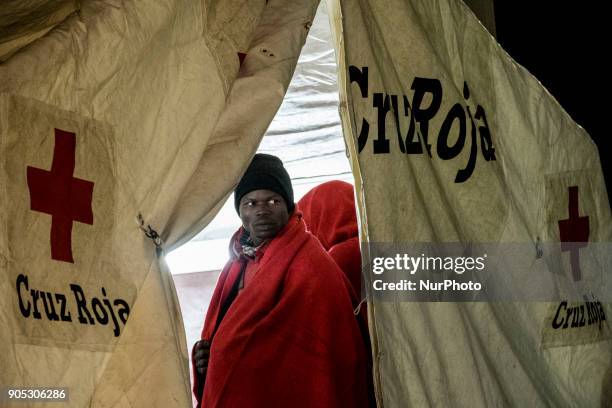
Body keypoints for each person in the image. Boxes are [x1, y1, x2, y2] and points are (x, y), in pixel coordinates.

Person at [192, 154, 369, 408]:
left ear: (288, 206)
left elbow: (319, 358)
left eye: (273, 201)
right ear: (239, 211)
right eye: (250, 203)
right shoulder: (236, 263)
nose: (261, 211)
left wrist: (230, 355)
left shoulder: (312, 265)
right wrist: (207, 356)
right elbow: (224, 332)